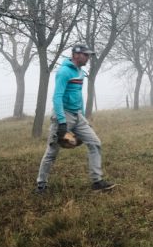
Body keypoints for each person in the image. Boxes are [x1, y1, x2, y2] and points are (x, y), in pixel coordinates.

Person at [36, 44, 115, 194]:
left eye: (89, 55)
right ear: (76, 55)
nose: (88, 58)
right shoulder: (64, 72)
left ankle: (97, 182)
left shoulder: (80, 72)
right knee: (52, 151)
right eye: (86, 55)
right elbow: (57, 97)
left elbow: (78, 95)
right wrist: (62, 122)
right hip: (63, 115)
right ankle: (41, 185)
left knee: (95, 143)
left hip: (78, 116)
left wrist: (83, 117)